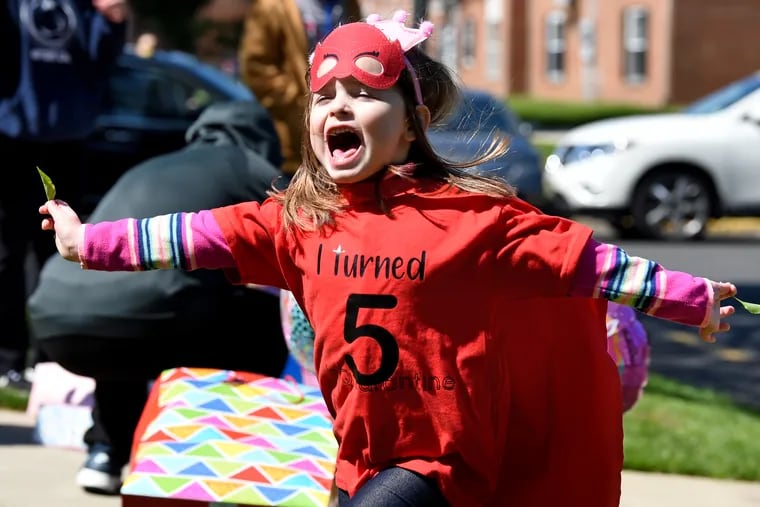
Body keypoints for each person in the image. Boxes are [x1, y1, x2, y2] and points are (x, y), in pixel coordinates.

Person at [39, 11, 738, 506]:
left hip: (441, 463)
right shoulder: (297, 222)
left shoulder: (473, 222)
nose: (339, 107)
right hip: (357, 459)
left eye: (364, 94)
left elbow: (592, 265)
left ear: (411, 122)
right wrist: (84, 242)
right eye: (326, 96)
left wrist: (692, 297)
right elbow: (186, 236)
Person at [27, 100, 290, 495]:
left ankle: (105, 453)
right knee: (262, 321)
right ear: (262, 140)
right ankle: (226, 456)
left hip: (55, 316)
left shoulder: (152, 164)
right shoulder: (247, 164)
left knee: (125, 323)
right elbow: (305, 226)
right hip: (148, 314)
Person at [0, 0, 128, 390]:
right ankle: (8, 361)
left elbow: (103, 63)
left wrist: (115, 21)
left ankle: (51, 363)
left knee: (59, 251)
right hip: (11, 138)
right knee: (6, 253)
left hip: (68, 140)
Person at [238, 0, 361, 175]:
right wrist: (298, 104)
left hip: (343, 126)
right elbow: (256, 68)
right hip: (293, 145)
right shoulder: (273, 6)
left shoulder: (348, 4)